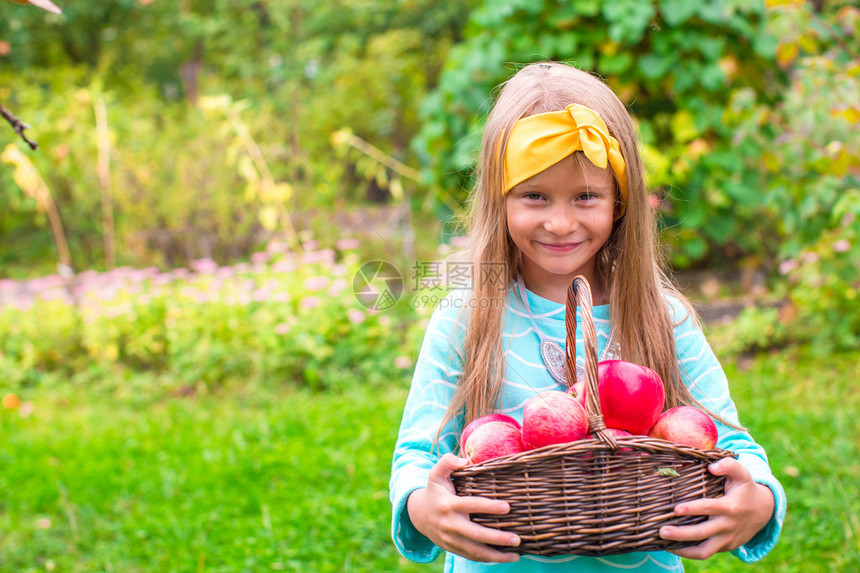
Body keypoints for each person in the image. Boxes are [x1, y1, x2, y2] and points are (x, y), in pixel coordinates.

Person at [389, 62, 786, 572]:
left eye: (586, 196)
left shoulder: (660, 317)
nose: (560, 222)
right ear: (499, 199)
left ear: (619, 199)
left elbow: (732, 442)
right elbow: (416, 455)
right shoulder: (466, 317)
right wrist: (424, 507)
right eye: (534, 196)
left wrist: (762, 499)